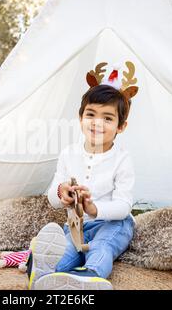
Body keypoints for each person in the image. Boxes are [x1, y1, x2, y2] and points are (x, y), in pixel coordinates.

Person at [27, 61, 140, 290]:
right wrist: (63, 193)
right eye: (91, 114)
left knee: (101, 246)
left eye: (108, 118)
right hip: (76, 227)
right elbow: (52, 197)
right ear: (80, 119)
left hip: (113, 224)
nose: (97, 123)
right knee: (67, 252)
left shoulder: (122, 159)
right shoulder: (69, 154)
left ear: (121, 127)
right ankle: (43, 271)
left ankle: (90, 276)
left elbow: (123, 205)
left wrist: (94, 209)